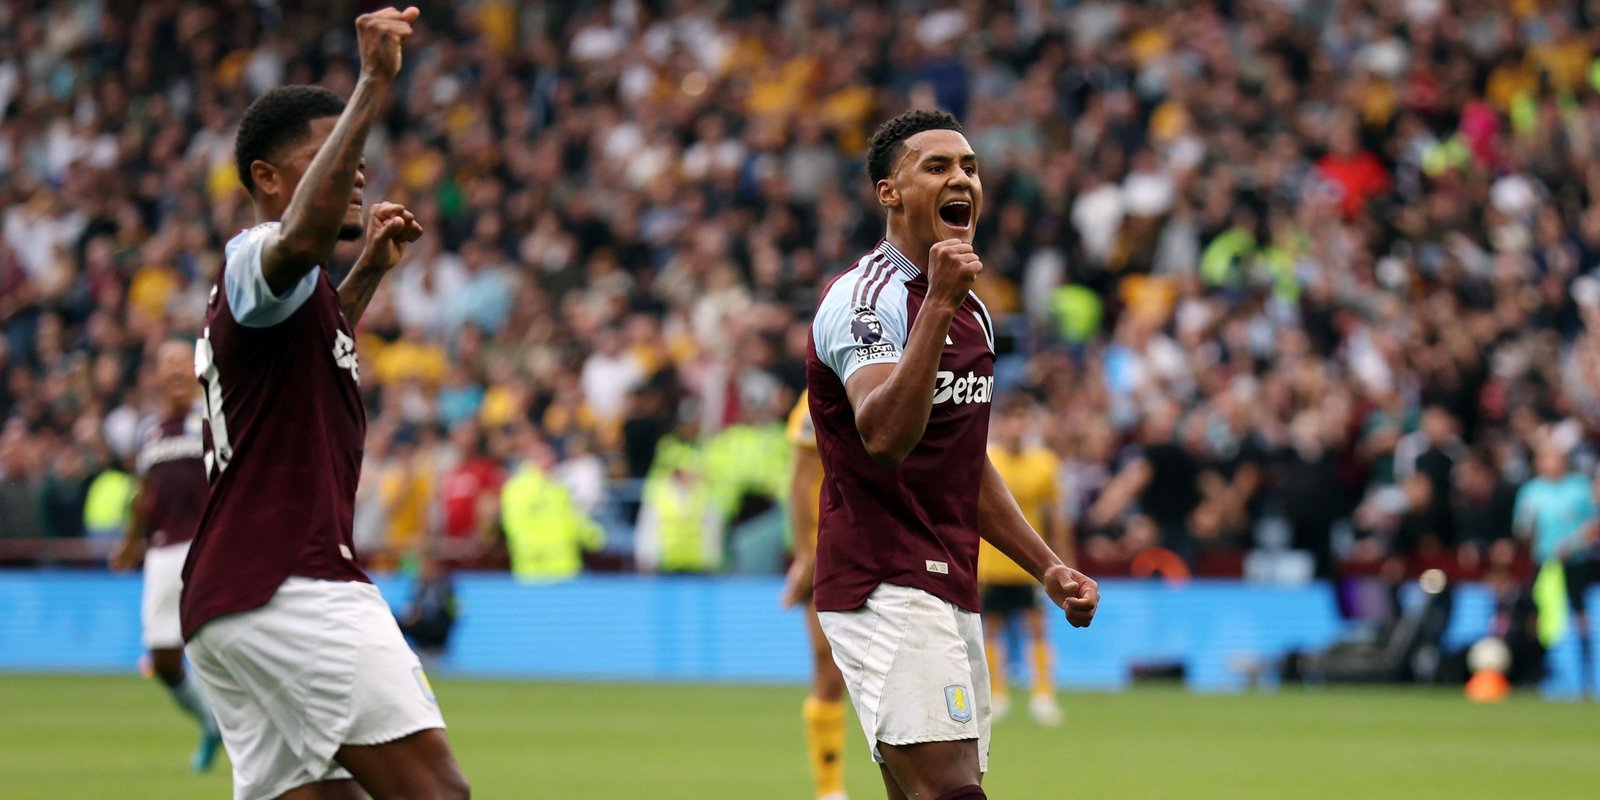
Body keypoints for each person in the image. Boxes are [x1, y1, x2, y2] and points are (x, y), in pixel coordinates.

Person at [178, 9, 469, 800]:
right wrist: (372, 83)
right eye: (328, 159)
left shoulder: (288, 302)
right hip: (292, 581)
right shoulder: (252, 257)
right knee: (436, 794)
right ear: (270, 180)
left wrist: (367, 274)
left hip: (228, 600)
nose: (357, 174)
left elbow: (304, 354)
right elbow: (297, 242)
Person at [806, 109, 1100, 800]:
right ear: (890, 192)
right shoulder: (866, 300)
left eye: (969, 167)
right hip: (883, 578)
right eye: (937, 166)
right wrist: (937, 301)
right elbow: (883, 438)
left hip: (947, 580)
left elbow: (963, 463)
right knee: (952, 793)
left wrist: (1047, 568)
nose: (961, 177)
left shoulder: (972, 309)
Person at [108, 340, 223, 773]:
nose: (176, 368)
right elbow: (145, 494)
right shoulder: (150, 432)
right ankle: (211, 724)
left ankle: (250, 729)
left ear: (194, 370)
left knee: (224, 646)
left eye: (182, 360)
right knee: (163, 659)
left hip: (208, 547)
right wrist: (129, 541)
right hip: (160, 554)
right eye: (166, 362)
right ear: (157, 377)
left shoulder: (213, 418)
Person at [978, 394, 1068, 726]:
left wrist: (1062, 559)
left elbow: (1056, 516)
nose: (1016, 427)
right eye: (1010, 420)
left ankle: (1043, 695)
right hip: (992, 563)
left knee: (1038, 629)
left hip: (1031, 566)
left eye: (1021, 420)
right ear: (1000, 424)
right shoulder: (987, 458)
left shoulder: (1045, 464)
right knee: (993, 629)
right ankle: (997, 695)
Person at [779, 389, 848, 800]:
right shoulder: (814, 399)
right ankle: (830, 790)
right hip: (830, 548)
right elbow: (799, 482)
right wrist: (807, 557)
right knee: (828, 667)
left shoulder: (897, 376)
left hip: (885, 541)